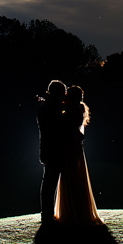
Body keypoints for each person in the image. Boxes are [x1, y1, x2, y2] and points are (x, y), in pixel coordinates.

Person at [54, 85, 103, 226]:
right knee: (73, 177)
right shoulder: (76, 109)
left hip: (71, 148)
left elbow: (67, 127)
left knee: (71, 177)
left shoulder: (72, 110)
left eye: (67, 95)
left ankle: (71, 212)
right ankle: (75, 210)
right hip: (73, 148)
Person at [36, 80, 67, 224]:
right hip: (53, 150)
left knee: (49, 182)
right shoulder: (48, 108)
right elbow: (55, 130)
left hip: (51, 150)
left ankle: (47, 214)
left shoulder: (48, 107)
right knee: (49, 183)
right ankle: (47, 215)